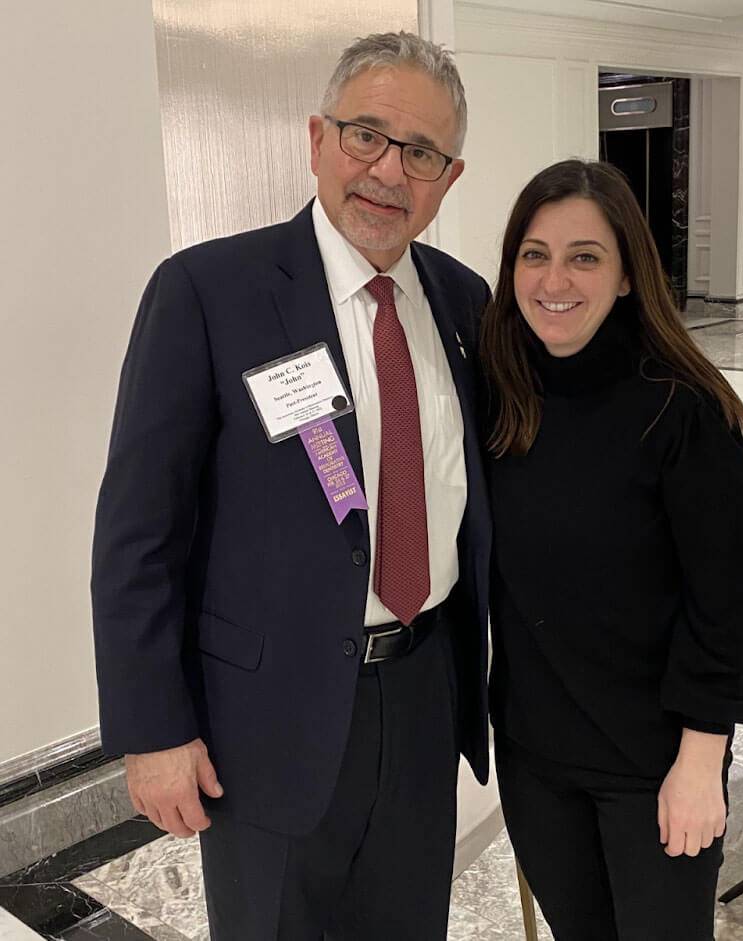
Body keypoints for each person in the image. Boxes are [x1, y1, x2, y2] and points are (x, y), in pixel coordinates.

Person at [91, 32, 491, 940]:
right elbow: (139, 532)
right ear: (318, 139)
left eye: (421, 153)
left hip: (424, 695)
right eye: (366, 135)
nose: (388, 171)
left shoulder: (465, 303)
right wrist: (152, 729)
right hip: (263, 720)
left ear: (449, 178)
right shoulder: (209, 291)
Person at [480, 159, 743, 940]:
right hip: (537, 756)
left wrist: (701, 762)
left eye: (585, 256)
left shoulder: (683, 410)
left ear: (629, 274)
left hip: (656, 761)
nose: (554, 280)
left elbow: (728, 608)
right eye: (534, 254)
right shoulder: (500, 395)